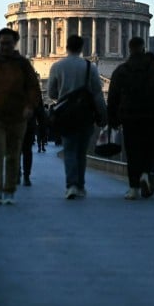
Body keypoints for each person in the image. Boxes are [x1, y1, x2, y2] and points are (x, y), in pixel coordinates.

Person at [0, 28, 41, 205]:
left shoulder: (23, 64)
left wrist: (29, 106)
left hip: (17, 116)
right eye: (2, 43)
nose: (5, 46)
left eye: (8, 43)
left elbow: (33, 88)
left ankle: (10, 189)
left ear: (15, 43)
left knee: (13, 154)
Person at [107, 37, 154, 200]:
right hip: (152, 116)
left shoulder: (121, 70)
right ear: (143, 48)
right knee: (150, 149)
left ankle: (133, 187)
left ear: (129, 50)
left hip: (129, 116)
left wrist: (112, 118)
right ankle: (146, 174)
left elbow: (113, 97)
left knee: (132, 150)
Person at [47, 35, 108, 199]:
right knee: (82, 151)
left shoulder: (57, 67)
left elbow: (51, 92)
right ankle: (80, 185)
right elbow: (97, 94)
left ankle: (71, 184)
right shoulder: (90, 67)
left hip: (66, 114)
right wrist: (103, 115)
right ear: (82, 48)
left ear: (66, 46)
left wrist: (62, 96)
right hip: (85, 115)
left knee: (69, 150)